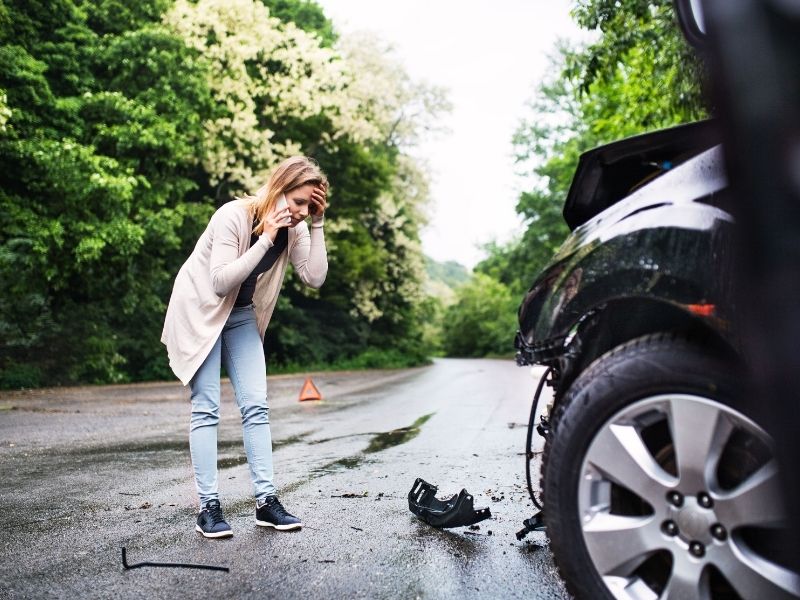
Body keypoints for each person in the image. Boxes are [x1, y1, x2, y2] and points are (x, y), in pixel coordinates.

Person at [161, 156, 328, 538]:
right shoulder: (233, 216)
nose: (301, 212)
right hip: (201, 311)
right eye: (298, 202)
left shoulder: (297, 228)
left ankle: (266, 502)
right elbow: (220, 281)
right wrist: (267, 237)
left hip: (239, 316)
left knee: (256, 404)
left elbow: (314, 278)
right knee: (207, 407)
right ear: (278, 189)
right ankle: (209, 508)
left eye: (310, 205)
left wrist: (317, 224)